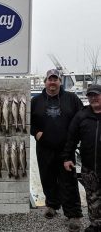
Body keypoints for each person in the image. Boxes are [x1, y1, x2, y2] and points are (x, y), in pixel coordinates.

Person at [31, 69, 83, 232]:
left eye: (55, 79)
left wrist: (75, 139)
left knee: (68, 180)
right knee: (47, 178)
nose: (52, 82)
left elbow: (81, 118)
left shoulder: (72, 99)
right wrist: (36, 133)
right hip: (44, 147)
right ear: (45, 82)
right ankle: (52, 205)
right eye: (49, 79)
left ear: (60, 82)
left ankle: (73, 214)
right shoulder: (36, 100)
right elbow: (28, 121)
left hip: (65, 149)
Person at [63, 84, 101, 232]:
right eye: (90, 95)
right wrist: (67, 158)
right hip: (89, 167)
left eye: (96, 95)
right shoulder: (81, 116)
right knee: (92, 198)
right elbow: (71, 139)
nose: (93, 98)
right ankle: (95, 224)